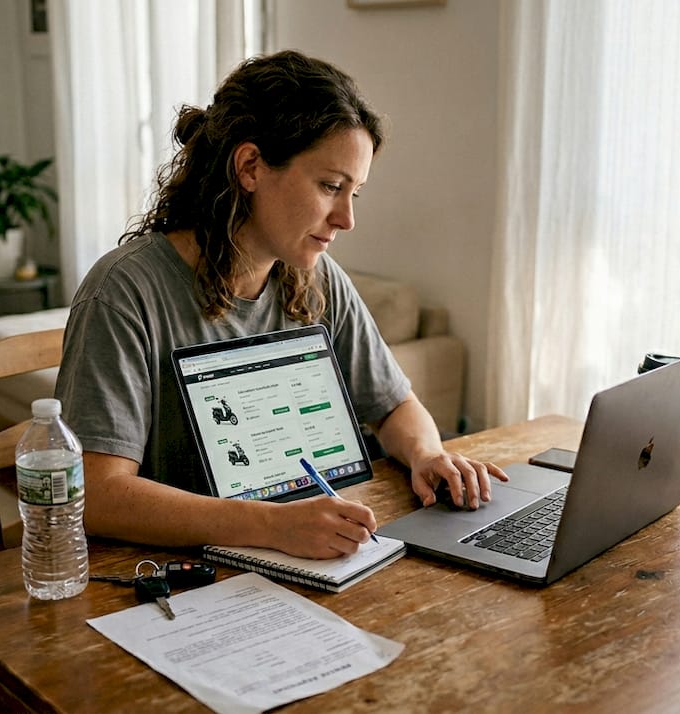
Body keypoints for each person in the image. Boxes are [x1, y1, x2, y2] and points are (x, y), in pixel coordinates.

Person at [54, 50, 507, 559]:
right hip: (178, 576)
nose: (346, 219)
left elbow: (393, 404)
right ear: (250, 166)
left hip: (302, 552)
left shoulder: (315, 278)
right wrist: (273, 525)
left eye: (355, 193)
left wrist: (427, 452)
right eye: (331, 186)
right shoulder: (124, 292)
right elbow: (97, 493)